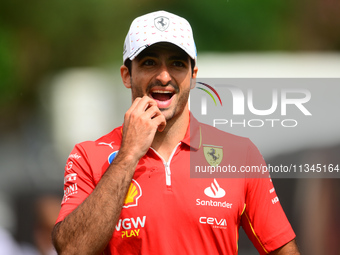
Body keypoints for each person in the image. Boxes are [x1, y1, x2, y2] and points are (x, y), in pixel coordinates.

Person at [52, 10, 300, 254]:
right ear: (127, 75)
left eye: (177, 64)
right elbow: (72, 250)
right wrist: (128, 155)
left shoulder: (240, 155)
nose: (163, 76)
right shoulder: (88, 156)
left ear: (193, 77)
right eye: (149, 62)